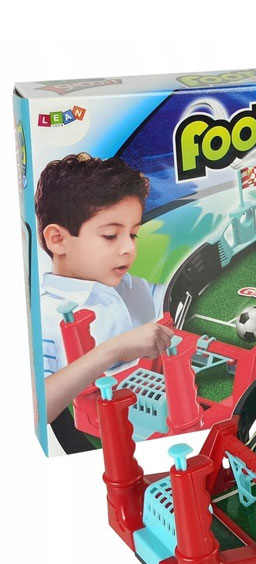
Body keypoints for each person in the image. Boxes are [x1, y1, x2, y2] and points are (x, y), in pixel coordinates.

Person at [36, 154, 173, 424]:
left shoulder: (135, 286)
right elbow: (36, 410)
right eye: (111, 235)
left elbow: (179, 300)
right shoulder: (44, 317)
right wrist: (113, 350)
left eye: (133, 234)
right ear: (58, 239)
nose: (129, 248)